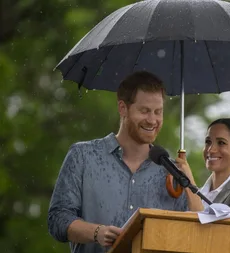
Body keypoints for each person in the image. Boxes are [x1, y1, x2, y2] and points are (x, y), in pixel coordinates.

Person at [47, 71, 187, 253]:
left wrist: (188, 182)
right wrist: (96, 232)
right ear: (123, 108)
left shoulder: (173, 172)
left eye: (158, 112)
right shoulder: (83, 156)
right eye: (144, 111)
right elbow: (57, 219)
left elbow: (186, 234)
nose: (152, 120)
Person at [176, 118, 230, 217]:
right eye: (208, 142)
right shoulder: (195, 194)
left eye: (221, 143)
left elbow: (210, 229)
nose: (211, 150)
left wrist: (188, 183)